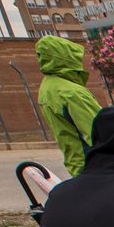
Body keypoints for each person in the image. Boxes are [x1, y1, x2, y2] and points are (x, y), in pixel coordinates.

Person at [35, 34, 101, 178]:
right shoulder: (71, 92)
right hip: (95, 166)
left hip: (77, 163)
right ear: (65, 56)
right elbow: (99, 132)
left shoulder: (48, 88)